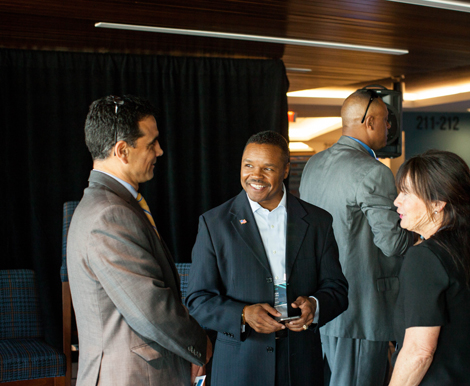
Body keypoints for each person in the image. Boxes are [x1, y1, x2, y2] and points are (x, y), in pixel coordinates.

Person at [186, 131, 349, 386]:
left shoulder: (318, 222)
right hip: (239, 367)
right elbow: (197, 300)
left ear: (285, 170)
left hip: (300, 367)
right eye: (248, 165)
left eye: (267, 168)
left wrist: (316, 306)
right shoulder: (214, 224)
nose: (255, 175)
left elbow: (337, 290)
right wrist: (242, 314)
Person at [67, 95, 210, 386]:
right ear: (122, 151)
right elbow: (152, 309)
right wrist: (201, 346)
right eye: (151, 143)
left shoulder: (106, 204)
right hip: (131, 376)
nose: (160, 151)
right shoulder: (110, 214)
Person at [299, 89, 412, 386]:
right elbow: (392, 242)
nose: (390, 128)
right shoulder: (373, 171)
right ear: (371, 121)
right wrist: (423, 231)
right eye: (386, 121)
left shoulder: (313, 164)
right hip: (362, 310)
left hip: (320, 305)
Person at [389, 150, 470, 386]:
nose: (396, 201)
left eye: (406, 192)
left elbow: (419, 352)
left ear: (437, 203)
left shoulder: (424, 257)